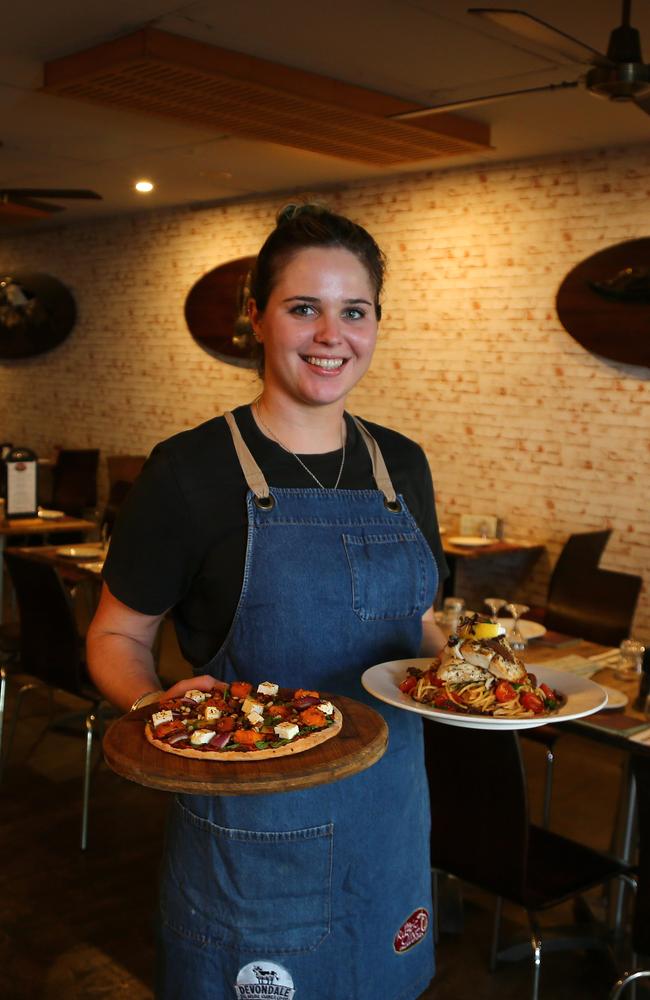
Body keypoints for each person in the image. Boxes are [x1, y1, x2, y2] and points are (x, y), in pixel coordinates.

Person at [87, 203, 449, 1000]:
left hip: (389, 820)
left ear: (376, 323)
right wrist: (158, 707)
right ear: (256, 317)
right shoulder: (188, 472)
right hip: (252, 835)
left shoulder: (405, 466)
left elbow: (418, 619)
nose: (331, 335)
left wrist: (461, 671)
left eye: (354, 311)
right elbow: (115, 635)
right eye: (303, 308)